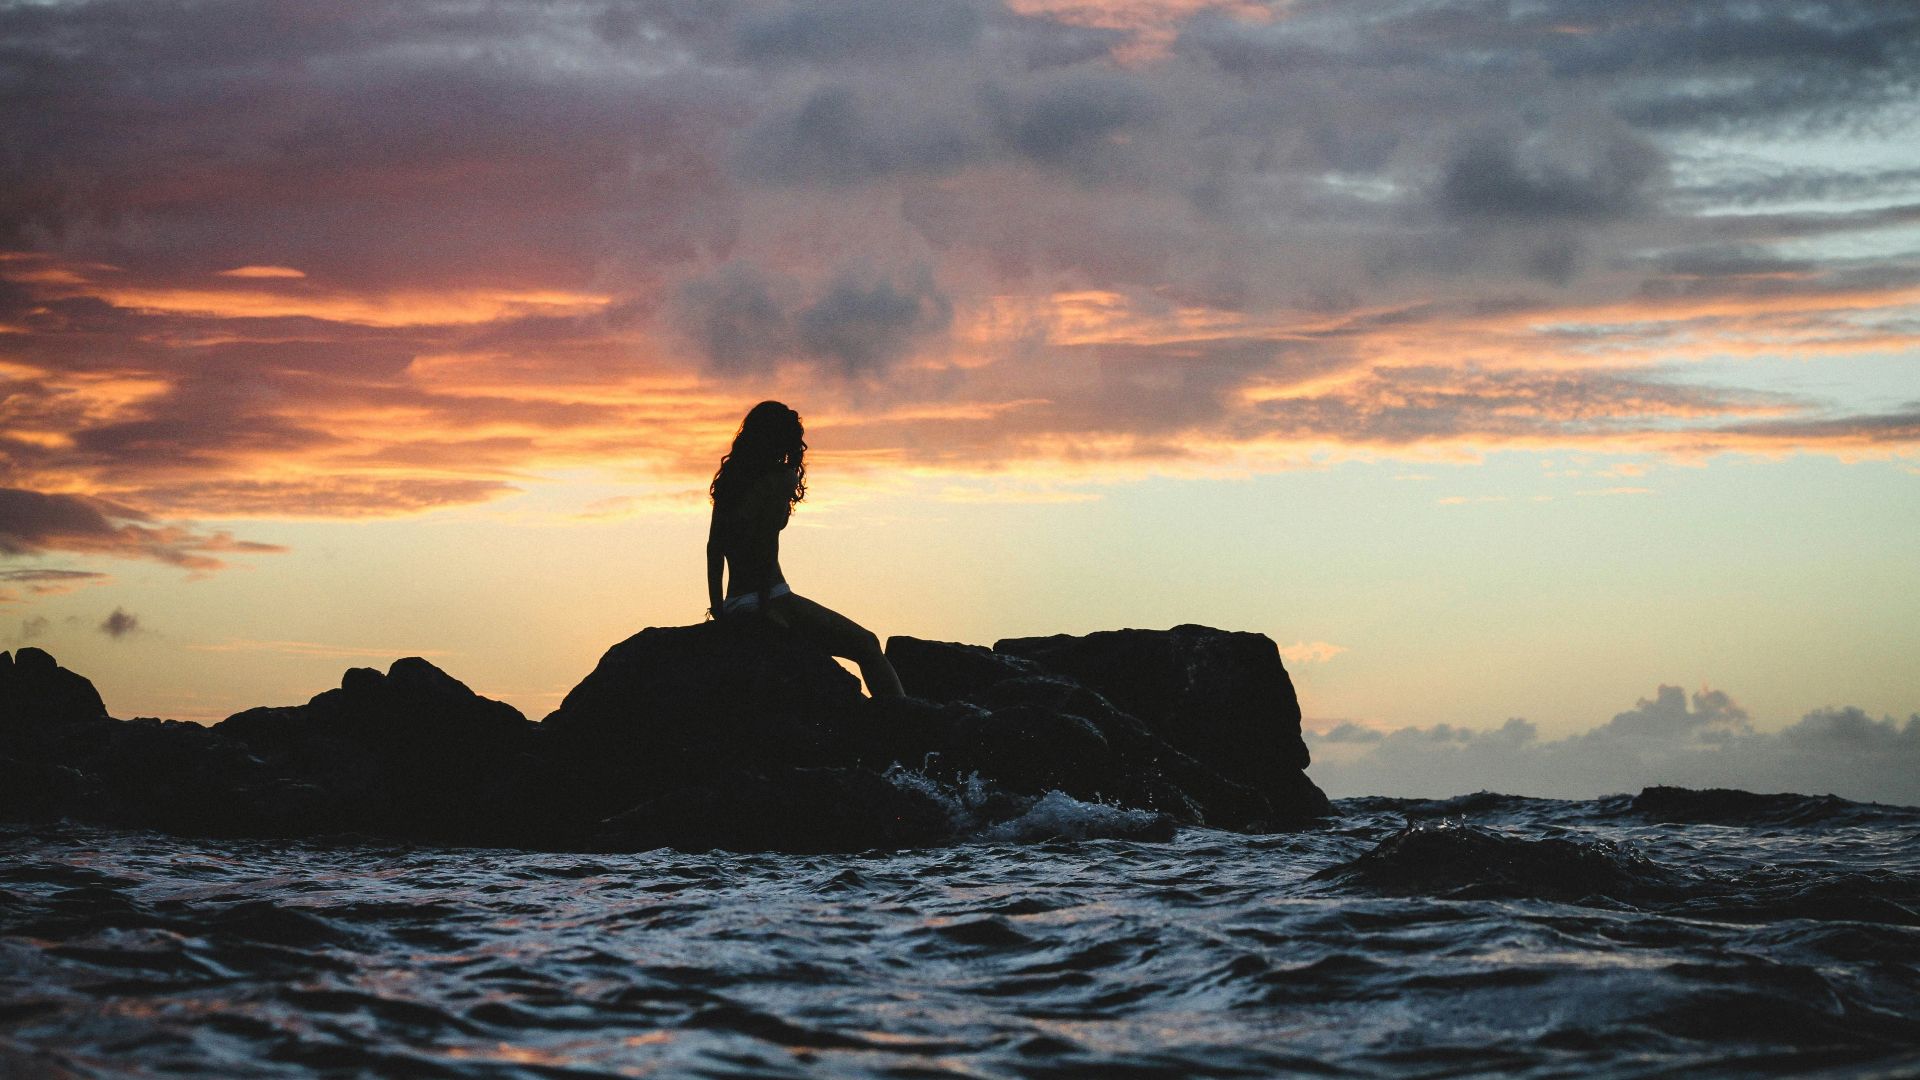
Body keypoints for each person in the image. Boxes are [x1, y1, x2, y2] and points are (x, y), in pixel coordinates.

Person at [706, 401, 904, 698]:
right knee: (867, 644)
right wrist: (766, 607)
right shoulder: (779, 478)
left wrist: (719, 609)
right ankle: (904, 723)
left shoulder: (730, 481)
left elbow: (714, 549)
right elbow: (761, 544)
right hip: (771, 597)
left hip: (735, 602)